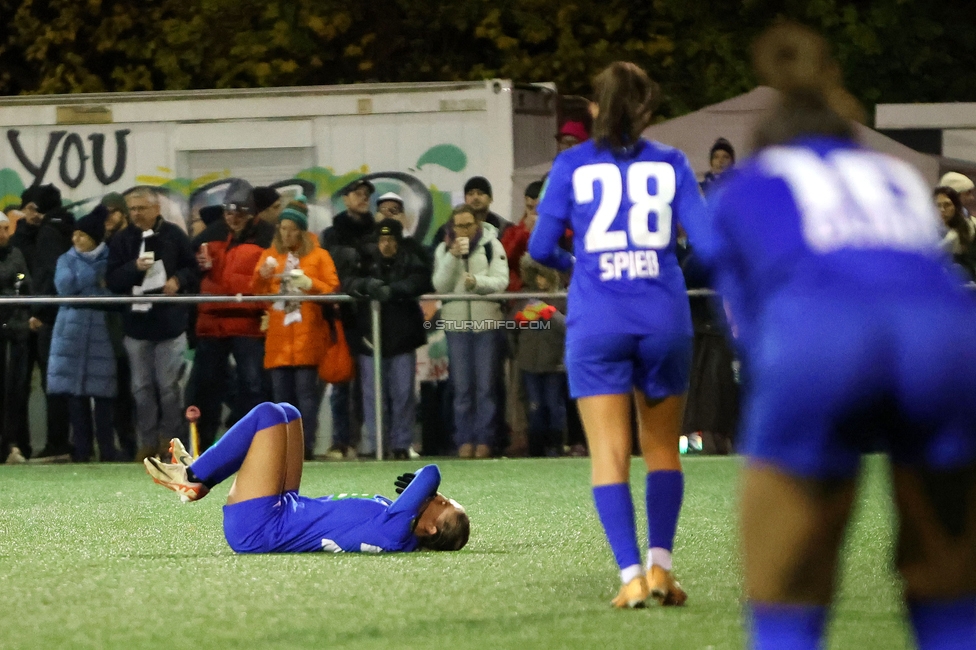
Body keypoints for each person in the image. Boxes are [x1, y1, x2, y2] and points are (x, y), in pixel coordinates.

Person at [702, 24, 976, 650]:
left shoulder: (747, 186)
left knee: (788, 580)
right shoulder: (899, 179)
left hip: (820, 340)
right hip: (948, 343)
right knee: (950, 579)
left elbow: (745, 316)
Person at [528, 61, 707, 608]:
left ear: (594, 109)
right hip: (662, 316)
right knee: (661, 450)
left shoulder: (571, 164)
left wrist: (580, 260)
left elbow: (538, 249)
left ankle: (630, 575)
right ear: (647, 107)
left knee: (608, 453)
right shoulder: (672, 162)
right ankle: (661, 570)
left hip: (599, 319)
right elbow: (708, 244)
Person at [144, 401, 470, 554]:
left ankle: (195, 478)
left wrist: (421, 487)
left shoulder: (398, 532)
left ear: (429, 528)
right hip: (285, 509)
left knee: (268, 415)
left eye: (442, 504)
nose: (437, 497)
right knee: (289, 413)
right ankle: (202, 471)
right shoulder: (398, 526)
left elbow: (432, 473)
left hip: (260, 529)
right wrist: (422, 495)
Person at [106, 187, 199, 461]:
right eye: (131, 209)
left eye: (141, 208)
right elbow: (111, 280)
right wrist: (133, 268)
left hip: (169, 327)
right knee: (141, 389)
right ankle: (146, 444)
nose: (136, 214)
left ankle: (171, 445)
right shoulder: (122, 241)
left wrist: (177, 281)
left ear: (156, 209)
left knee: (170, 389)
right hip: (136, 328)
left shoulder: (174, 236)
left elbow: (192, 269)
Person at [192, 181, 275, 450]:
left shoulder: (269, 237)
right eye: (229, 213)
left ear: (252, 214)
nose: (233, 219)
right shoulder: (210, 235)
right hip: (213, 322)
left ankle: (246, 442)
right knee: (208, 389)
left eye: (239, 213)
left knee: (253, 386)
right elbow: (187, 267)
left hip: (247, 323)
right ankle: (204, 447)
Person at [253, 201, 339, 460]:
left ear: (301, 230)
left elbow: (333, 289)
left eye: (291, 229)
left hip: (308, 335)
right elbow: (257, 293)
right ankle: (283, 450)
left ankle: (306, 448)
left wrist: (311, 283)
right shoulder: (270, 256)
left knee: (306, 397)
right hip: (279, 338)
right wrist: (262, 276)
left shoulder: (319, 256)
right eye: (282, 229)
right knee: (280, 400)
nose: (286, 234)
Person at [348, 218, 432, 459]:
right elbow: (347, 282)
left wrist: (392, 290)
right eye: (382, 240)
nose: (386, 245)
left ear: (398, 242)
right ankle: (377, 445)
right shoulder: (363, 261)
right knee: (373, 397)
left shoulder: (410, 258)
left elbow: (421, 280)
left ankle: (401, 444)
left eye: (391, 240)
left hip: (402, 339)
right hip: (370, 339)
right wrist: (368, 285)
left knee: (403, 395)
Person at [432, 204, 509, 458]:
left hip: (486, 322)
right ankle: (464, 439)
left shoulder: (492, 245)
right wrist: (452, 257)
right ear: (451, 228)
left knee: (486, 387)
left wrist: (478, 283)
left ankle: (485, 439)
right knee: (462, 387)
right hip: (456, 324)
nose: (463, 230)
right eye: (458, 226)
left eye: (468, 225)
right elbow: (439, 285)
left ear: (477, 224)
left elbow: (501, 282)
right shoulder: (444, 249)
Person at [48, 206, 119, 462]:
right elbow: (64, 288)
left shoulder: (111, 258)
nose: (76, 240)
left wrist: (89, 292)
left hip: (102, 335)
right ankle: (82, 450)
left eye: (82, 235)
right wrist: (94, 282)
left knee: (103, 397)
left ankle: (107, 450)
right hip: (71, 336)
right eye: (75, 235)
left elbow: (112, 296)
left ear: (95, 238)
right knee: (75, 397)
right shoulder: (65, 259)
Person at [10, 184, 74, 461]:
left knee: (51, 384)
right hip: (34, 321)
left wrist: (40, 313)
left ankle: (53, 444)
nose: (31, 215)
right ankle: (24, 445)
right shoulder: (60, 231)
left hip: (43, 318)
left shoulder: (50, 234)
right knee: (27, 386)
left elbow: (48, 276)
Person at [320, 178, 376, 460]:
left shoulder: (377, 230)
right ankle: (340, 441)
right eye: (358, 193)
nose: (363, 198)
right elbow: (331, 264)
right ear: (345, 198)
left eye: (366, 194)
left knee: (368, 384)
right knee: (340, 381)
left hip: (369, 316)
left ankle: (364, 441)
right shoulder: (332, 233)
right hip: (340, 317)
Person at [512, 255, 566, 457]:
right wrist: (521, 317)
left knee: (554, 405)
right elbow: (512, 326)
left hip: (554, 363)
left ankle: (556, 445)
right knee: (534, 406)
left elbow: (570, 327)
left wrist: (551, 313)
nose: (540, 281)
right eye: (537, 276)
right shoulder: (525, 298)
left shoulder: (561, 297)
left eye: (544, 276)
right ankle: (536, 447)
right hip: (529, 363)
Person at [0, 211, 32, 463]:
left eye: (4, 229)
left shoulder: (16, 254)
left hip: (14, 331)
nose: (3, 235)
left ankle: (11, 445)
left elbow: (25, 286)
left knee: (14, 390)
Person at [500, 181, 543, 292]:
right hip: (520, 293)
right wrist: (525, 233)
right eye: (530, 207)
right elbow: (506, 261)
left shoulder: (563, 232)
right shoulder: (511, 232)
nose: (534, 213)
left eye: (538, 208)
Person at [934, 185, 976, 280]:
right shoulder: (928, 231)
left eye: (947, 205)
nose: (942, 210)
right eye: (938, 205)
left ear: (956, 206)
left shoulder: (969, 228)